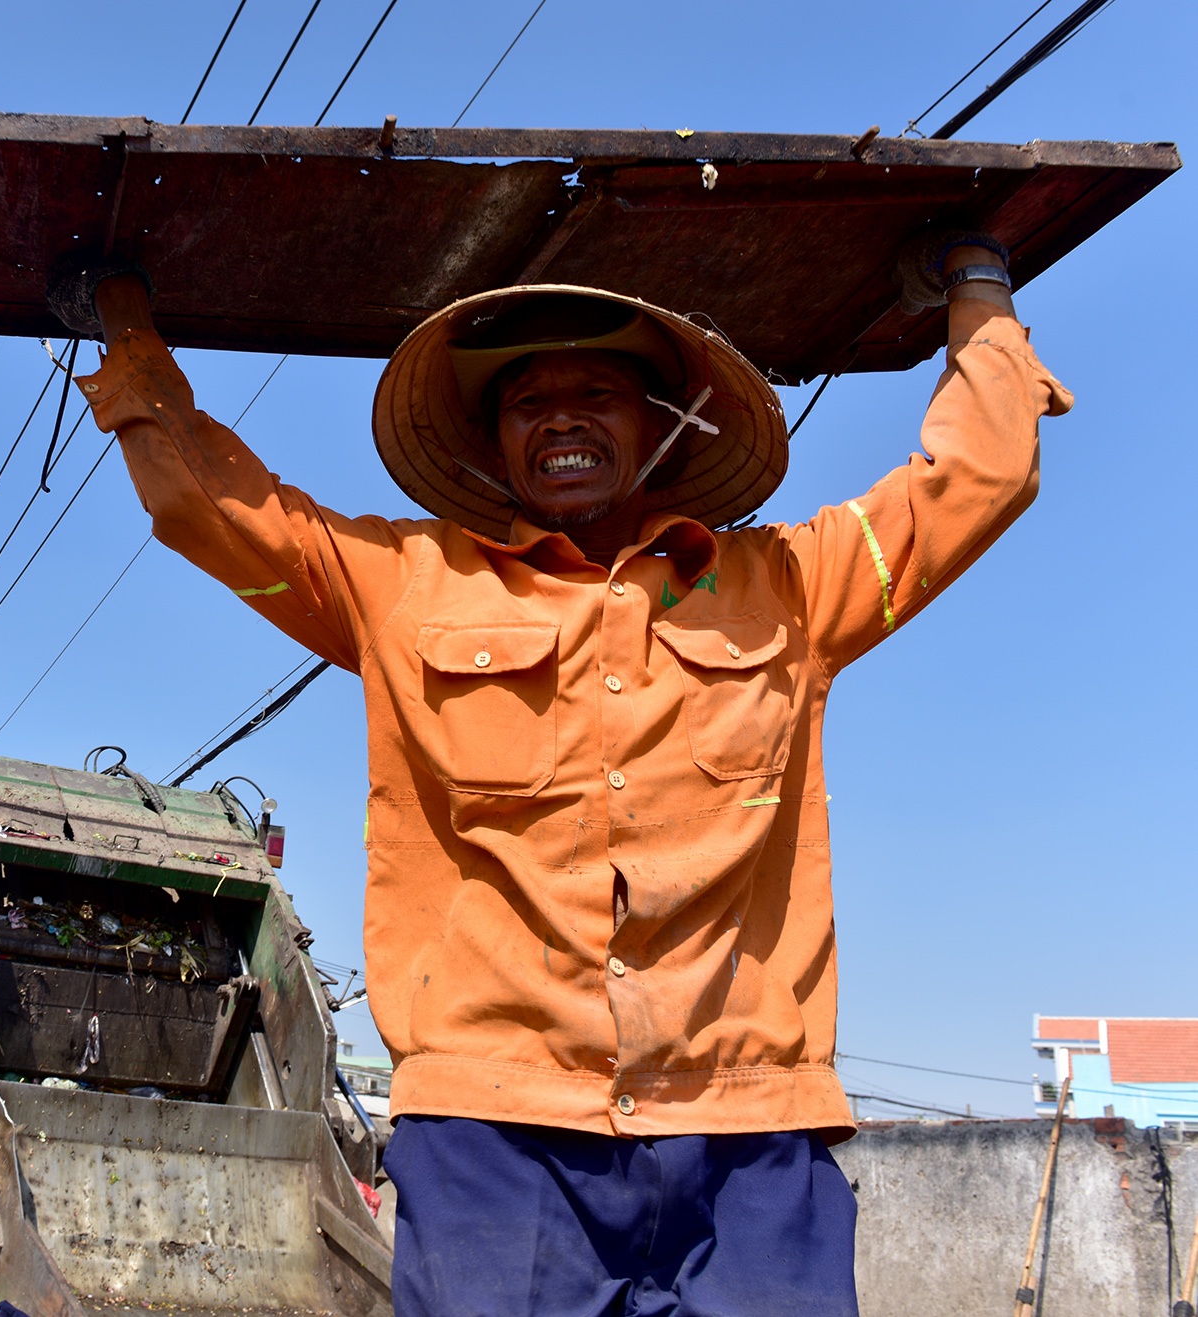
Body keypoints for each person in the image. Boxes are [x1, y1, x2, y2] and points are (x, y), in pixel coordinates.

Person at [71, 240, 1067, 1315]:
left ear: (662, 425)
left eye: (596, 394)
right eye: (526, 403)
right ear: (494, 444)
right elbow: (204, 506)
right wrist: (124, 318)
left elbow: (980, 479)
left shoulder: (790, 587)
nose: (560, 420)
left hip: (750, 1132)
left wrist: (977, 285)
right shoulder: (401, 587)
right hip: (495, 1141)